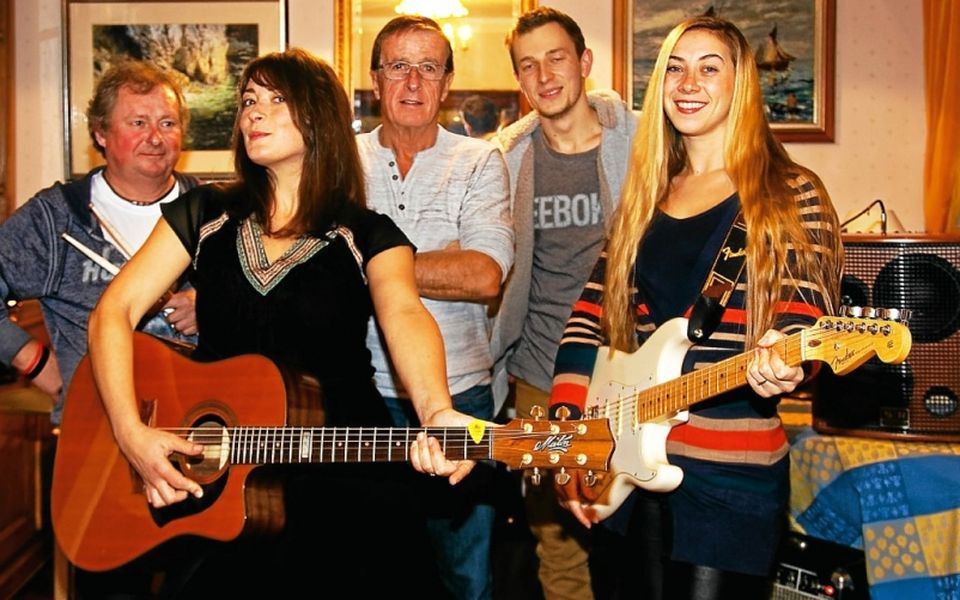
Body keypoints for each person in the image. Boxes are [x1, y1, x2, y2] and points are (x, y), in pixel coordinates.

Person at [87, 48, 476, 596]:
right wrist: (131, 434)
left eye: (275, 100)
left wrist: (435, 409)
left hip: (344, 478)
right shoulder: (203, 216)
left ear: (317, 117)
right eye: (249, 101)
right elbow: (113, 312)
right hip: (225, 485)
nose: (253, 114)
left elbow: (405, 314)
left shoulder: (368, 233)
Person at [549, 16, 843, 599]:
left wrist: (786, 354)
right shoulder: (645, 197)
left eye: (710, 68)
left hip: (730, 478)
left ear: (742, 86)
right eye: (676, 69)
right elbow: (587, 319)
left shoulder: (790, 191)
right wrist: (570, 440)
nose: (689, 82)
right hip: (626, 470)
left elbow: (805, 302)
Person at [357, 15, 514, 600]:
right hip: (360, 398)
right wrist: (436, 260)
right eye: (399, 66)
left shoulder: (478, 162)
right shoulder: (342, 163)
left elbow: (483, 275)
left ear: (447, 83)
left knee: (466, 578)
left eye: (429, 67)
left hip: (461, 394)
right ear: (377, 79)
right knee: (376, 569)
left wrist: (373, 266)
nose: (414, 81)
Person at [489, 7, 636, 599]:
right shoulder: (507, 161)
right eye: (528, 65)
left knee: (633, 522)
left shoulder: (640, 145)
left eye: (556, 58)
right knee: (556, 540)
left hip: (630, 367)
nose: (544, 75)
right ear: (519, 83)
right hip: (539, 378)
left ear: (584, 64)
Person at [0, 60, 198, 427]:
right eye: (138, 123)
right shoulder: (57, 219)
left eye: (167, 123)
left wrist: (210, 302)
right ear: (101, 133)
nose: (155, 138)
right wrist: (34, 361)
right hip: (92, 439)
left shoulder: (213, 212)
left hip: (202, 433)